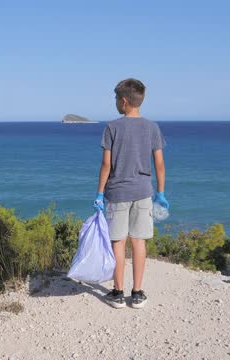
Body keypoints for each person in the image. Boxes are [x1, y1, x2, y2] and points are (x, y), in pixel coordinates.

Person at [93, 78, 168, 309]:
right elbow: (159, 163)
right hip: (144, 192)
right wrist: (161, 194)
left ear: (124, 101)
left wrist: (99, 193)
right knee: (138, 241)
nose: (115, 102)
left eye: (116, 99)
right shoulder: (152, 127)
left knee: (118, 242)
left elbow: (106, 165)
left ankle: (117, 293)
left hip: (117, 193)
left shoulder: (112, 127)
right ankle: (137, 293)